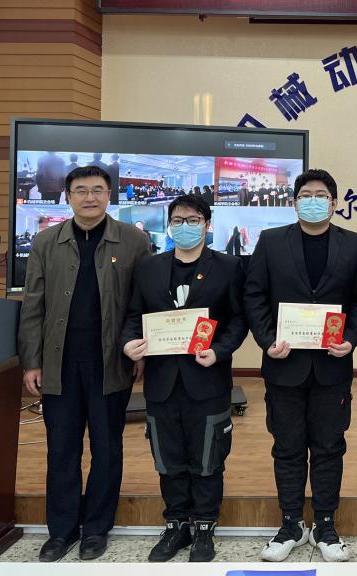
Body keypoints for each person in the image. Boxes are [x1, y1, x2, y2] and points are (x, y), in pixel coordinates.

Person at [18, 165, 150, 562]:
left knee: (107, 449)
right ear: (68, 196)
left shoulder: (133, 241)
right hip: (59, 363)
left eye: (97, 189)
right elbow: (33, 306)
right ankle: (60, 531)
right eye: (80, 190)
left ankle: (96, 528)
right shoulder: (46, 241)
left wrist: (140, 351)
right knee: (62, 449)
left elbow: (142, 303)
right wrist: (32, 361)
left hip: (111, 362)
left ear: (109, 195)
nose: (89, 197)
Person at [243, 169, 357, 563]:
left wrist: (351, 338)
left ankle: (325, 524)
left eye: (321, 195)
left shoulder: (353, 244)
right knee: (287, 447)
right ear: (294, 201)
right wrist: (267, 340)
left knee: (330, 447)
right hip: (284, 364)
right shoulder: (271, 241)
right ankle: (291, 524)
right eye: (305, 195)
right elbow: (254, 295)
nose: (313, 200)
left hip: (332, 365)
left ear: (334, 203)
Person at [121, 194, 247, 563]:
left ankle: (205, 526)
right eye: (177, 220)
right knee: (168, 458)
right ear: (170, 225)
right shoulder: (149, 267)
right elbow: (133, 314)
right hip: (161, 382)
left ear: (207, 225)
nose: (184, 226)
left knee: (208, 457)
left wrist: (220, 351)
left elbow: (239, 319)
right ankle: (176, 524)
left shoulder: (228, 266)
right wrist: (128, 343)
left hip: (207, 378)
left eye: (193, 220)